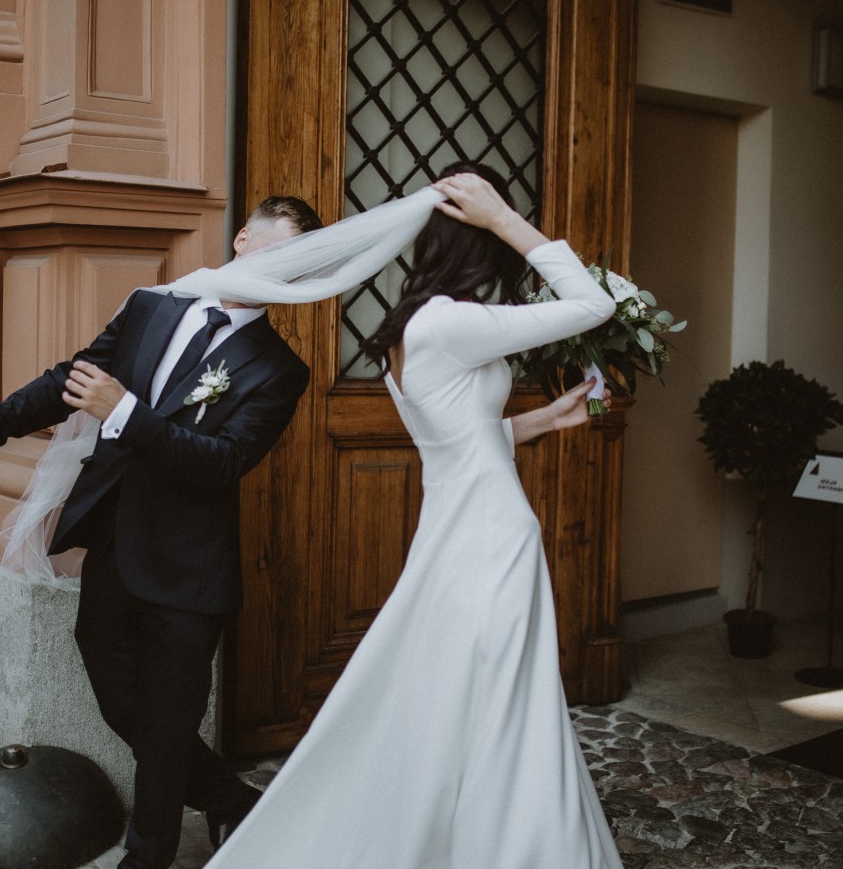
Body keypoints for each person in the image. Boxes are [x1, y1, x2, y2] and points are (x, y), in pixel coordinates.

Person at [203, 163, 626, 868]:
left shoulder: (409, 326)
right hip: (492, 537)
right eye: (493, 230)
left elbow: (456, 437)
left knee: (460, 699)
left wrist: (544, 420)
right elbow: (593, 304)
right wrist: (506, 218)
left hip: (454, 535)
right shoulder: (454, 323)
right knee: (507, 702)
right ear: (478, 239)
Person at [0, 195, 323, 869]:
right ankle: (230, 796)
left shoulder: (279, 368)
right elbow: (68, 382)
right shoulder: (152, 307)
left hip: (191, 568)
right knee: (120, 697)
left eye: (298, 265)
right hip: (117, 546)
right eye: (276, 252)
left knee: (167, 725)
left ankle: (148, 857)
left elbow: (222, 462)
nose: (281, 271)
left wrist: (127, 412)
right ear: (243, 239)